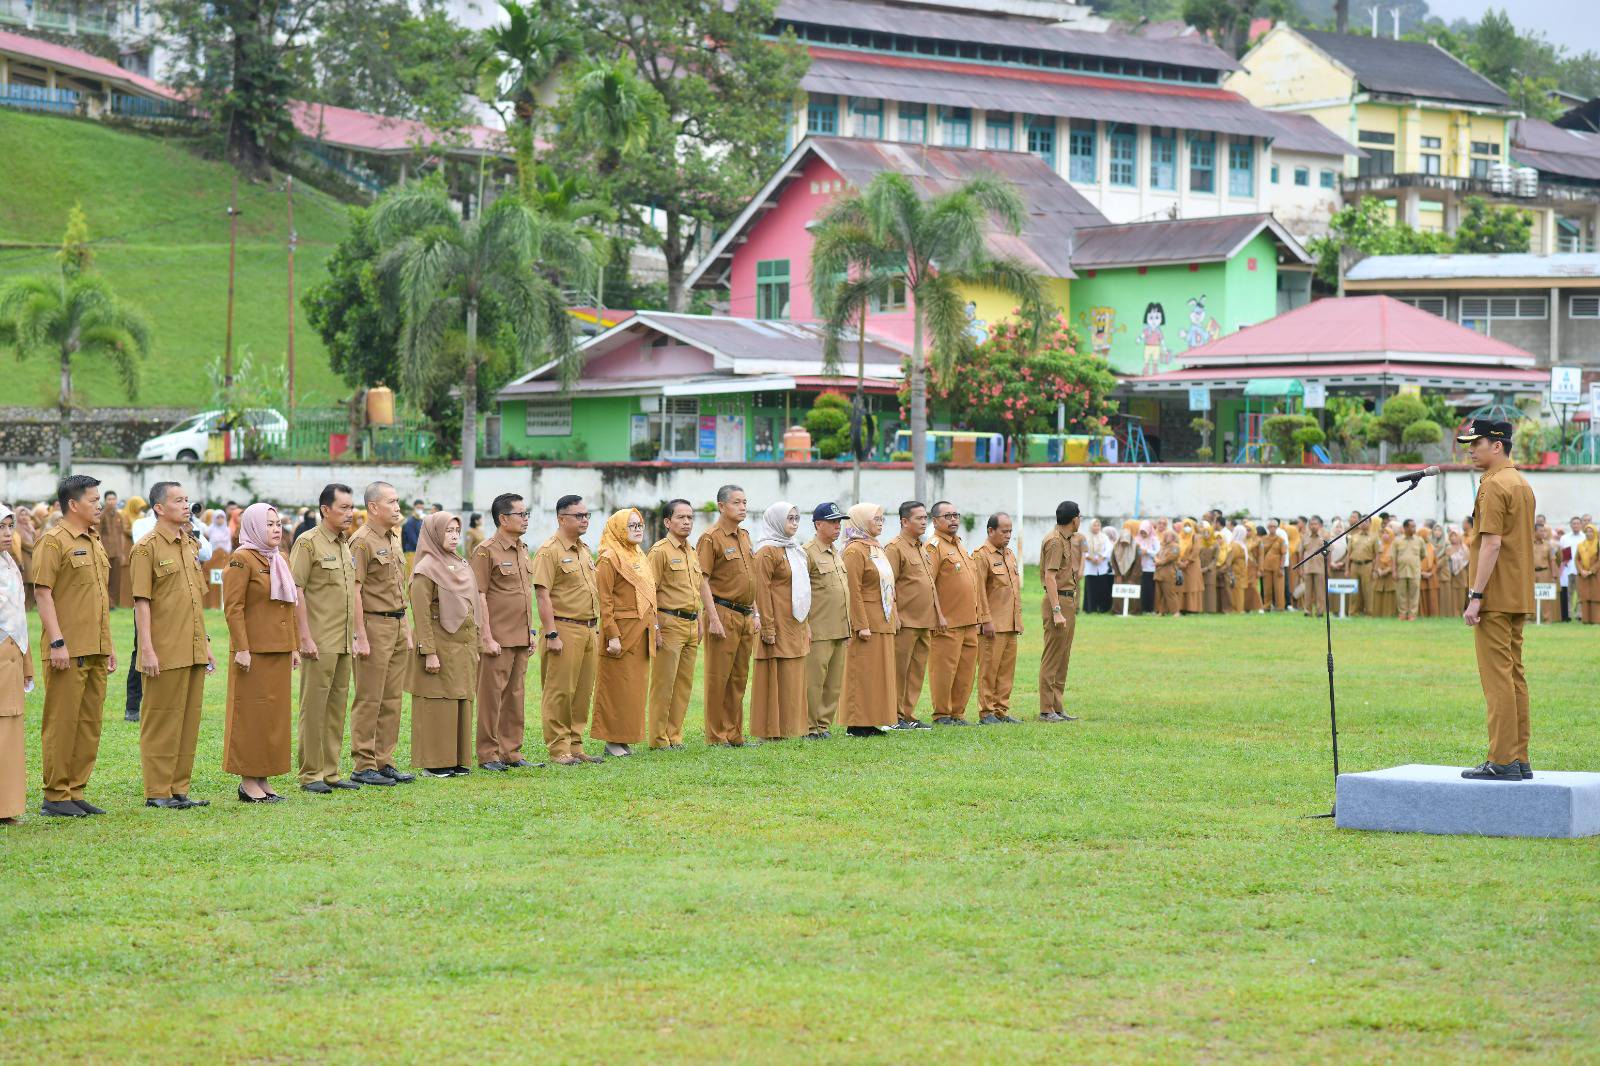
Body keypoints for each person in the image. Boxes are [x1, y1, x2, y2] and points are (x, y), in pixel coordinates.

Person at [31, 475, 115, 818]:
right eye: (94, 500)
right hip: (67, 648)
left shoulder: (94, 540)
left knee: (89, 722)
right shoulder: (53, 541)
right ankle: (55, 794)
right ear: (73, 504)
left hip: (94, 646)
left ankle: (75, 790)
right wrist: (57, 641)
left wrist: (107, 644)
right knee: (63, 721)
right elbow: (42, 592)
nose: (100, 505)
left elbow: (99, 598)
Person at [1457, 419, 1536, 781]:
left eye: (1477, 443)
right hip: (1516, 594)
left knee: (1497, 678)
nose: (1471, 449)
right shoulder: (1521, 483)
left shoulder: (1493, 485)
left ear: (1498, 446)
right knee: (1515, 675)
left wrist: (1476, 596)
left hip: (1495, 596)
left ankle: (1502, 759)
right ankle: (1518, 757)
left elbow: (1491, 543)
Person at [129, 481, 215, 810]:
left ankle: (179, 789)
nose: (185, 505)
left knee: (188, 720)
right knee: (161, 720)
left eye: (187, 500)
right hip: (164, 648)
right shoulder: (147, 548)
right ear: (159, 508)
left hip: (191, 647)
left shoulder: (189, 544)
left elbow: (195, 601)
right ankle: (157, 791)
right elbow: (142, 602)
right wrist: (147, 649)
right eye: (178, 500)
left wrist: (205, 643)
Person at [222, 504, 298, 802]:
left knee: (273, 717)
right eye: (268, 524)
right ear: (253, 526)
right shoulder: (242, 559)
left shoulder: (280, 559)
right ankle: (247, 781)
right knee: (251, 715)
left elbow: (289, 607)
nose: (276, 529)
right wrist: (242, 647)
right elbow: (233, 608)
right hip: (252, 652)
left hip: (278, 649)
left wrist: (292, 646)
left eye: (278, 523)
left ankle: (264, 777)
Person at [290, 483, 359, 794]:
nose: (350, 512)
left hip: (343, 640)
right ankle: (311, 774)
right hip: (319, 640)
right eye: (343, 507)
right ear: (325, 510)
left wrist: (356, 634)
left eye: (351, 507)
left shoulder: (344, 543)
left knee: (336, 708)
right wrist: (303, 637)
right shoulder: (308, 543)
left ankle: (330, 771)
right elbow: (296, 590)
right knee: (314, 707)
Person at [348, 481, 417, 787]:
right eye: (391, 501)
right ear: (373, 508)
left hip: (398, 623)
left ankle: (384, 760)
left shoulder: (393, 538)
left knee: (391, 698)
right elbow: (355, 592)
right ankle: (363, 764)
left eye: (397, 500)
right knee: (370, 696)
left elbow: (396, 588)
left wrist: (407, 629)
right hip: (373, 626)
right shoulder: (361, 542)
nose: (397, 507)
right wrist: (360, 635)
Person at [405, 511, 481, 777]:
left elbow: (474, 604)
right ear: (434, 533)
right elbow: (421, 614)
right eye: (448, 531)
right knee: (437, 703)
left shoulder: (461, 564)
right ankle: (435, 762)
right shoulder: (425, 569)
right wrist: (429, 652)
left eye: (456, 531)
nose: (454, 536)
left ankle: (458, 758)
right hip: (438, 645)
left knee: (460, 701)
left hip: (463, 646)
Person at [470, 493, 537, 771]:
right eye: (520, 514)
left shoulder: (522, 548)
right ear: (503, 518)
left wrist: (531, 632)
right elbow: (479, 595)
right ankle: (488, 754)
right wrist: (486, 636)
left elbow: (524, 594)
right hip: (497, 638)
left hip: (520, 636)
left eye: (526, 514)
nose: (525, 519)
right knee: (491, 697)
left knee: (516, 696)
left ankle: (512, 751)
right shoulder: (486, 551)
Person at [533, 495, 601, 766]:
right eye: (579, 516)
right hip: (564, 628)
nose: (585, 520)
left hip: (588, 629)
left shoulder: (584, 550)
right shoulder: (549, 550)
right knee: (559, 691)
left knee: (583, 691)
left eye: (587, 515)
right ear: (562, 518)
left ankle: (576, 744)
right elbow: (542, 595)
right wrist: (551, 634)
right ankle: (558, 748)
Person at [593, 508, 656, 757]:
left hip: (641, 631)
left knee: (634, 690)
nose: (638, 529)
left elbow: (651, 594)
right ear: (619, 529)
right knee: (616, 687)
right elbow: (605, 601)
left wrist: (655, 626)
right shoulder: (609, 557)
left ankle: (625, 738)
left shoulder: (638, 554)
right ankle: (612, 740)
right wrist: (613, 635)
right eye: (632, 526)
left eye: (640, 525)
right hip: (620, 634)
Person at [697, 485, 756, 747]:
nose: (742, 507)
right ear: (721, 506)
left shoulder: (744, 536)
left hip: (744, 614)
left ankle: (735, 734)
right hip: (723, 611)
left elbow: (749, 578)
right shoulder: (711, 538)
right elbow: (703, 580)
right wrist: (713, 618)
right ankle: (716, 735)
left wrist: (755, 612)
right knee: (718, 677)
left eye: (744, 502)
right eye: (736, 502)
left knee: (739, 677)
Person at [646, 499, 707, 751]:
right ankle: (659, 739)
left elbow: (695, 589)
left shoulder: (691, 551)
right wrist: (655, 629)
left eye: (690, 518)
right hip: (669, 623)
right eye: (681, 517)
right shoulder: (660, 552)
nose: (686, 522)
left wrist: (700, 619)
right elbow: (649, 593)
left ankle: (675, 735)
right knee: (664, 684)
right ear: (667, 522)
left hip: (691, 624)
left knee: (683, 685)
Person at [922, 501, 987, 726]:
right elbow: (929, 584)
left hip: (969, 621)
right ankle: (942, 714)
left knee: (966, 670)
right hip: (947, 622)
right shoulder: (934, 546)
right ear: (935, 521)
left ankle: (958, 713)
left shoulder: (958, 544)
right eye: (947, 516)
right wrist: (937, 615)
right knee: (944, 669)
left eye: (955, 515)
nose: (953, 520)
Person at [750, 502, 810, 741]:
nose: (794, 523)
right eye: (789, 519)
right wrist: (767, 626)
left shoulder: (795, 549)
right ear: (776, 521)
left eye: (797, 518)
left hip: (795, 623)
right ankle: (770, 731)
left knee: (792, 676)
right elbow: (761, 592)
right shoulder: (767, 551)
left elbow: (804, 590)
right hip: (776, 622)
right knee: (775, 674)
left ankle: (790, 728)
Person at [840, 504, 896, 738]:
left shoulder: (875, 547)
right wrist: (861, 625)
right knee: (861, 672)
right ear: (861, 521)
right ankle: (856, 723)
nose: (881, 522)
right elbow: (853, 591)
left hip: (882, 620)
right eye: (876, 519)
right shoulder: (855, 550)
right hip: (867, 624)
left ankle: (871, 720)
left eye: (882, 518)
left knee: (876, 674)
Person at [886, 501, 939, 730]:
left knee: (916, 671)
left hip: (924, 621)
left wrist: (938, 615)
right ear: (904, 521)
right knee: (899, 671)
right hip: (905, 622)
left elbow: (929, 584)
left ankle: (908, 713)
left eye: (925, 517)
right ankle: (894, 715)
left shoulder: (922, 547)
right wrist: (895, 615)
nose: (924, 521)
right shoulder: (894, 548)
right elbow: (888, 587)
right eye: (919, 518)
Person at [802, 503, 850, 740]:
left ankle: (823, 726)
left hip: (839, 626)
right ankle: (809, 727)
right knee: (814, 680)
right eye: (832, 522)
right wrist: (805, 625)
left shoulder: (835, 552)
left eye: (839, 522)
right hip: (818, 627)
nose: (837, 526)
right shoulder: (808, 552)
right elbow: (801, 593)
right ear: (818, 524)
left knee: (833, 683)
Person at [972, 511, 1023, 725]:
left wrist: (1017, 621)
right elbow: (979, 591)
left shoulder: (1010, 554)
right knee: (989, 670)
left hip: (1010, 623)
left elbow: (1014, 591)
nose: (1008, 535)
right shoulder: (981, 555)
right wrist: (985, 620)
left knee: (1006, 671)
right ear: (990, 530)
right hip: (992, 624)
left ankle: (1002, 709)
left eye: (1010, 531)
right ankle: (987, 712)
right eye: (1004, 531)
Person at [0, 505, 33, 825]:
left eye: (9, 526)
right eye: (1, 527)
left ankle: (6, 806)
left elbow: (19, 619)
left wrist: (26, 661)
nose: (8, 534)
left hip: (10, 655)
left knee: (9, 732)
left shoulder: (10, 564)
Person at [1039, 500, 1084, 722]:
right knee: (1052, 656)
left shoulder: (1066, 539)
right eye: (1080, 517)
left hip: (1068, 600)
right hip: (1058, 602)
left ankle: (1057, 705)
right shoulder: (1055, 541)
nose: (1080, 521)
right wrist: (1057, 610)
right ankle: (1046, 709)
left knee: (1063, 656)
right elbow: (1050, 576)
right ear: (1074, 518)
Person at [99, 490, 130, 610]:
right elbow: (97, 534)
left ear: (116, 500)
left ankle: (112, 603)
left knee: (115, 580)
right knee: (105, 579)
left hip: (117, 552)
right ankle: (106, 603)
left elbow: (121, 534)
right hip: (105, 552)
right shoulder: (101, 516)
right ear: (105, 501)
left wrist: (122, 552)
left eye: (113, 499)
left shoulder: (119, 516)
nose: (111, 502)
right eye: (109, 499)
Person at [1394, 519, 1424, 622]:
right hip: (1401, 571)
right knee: (1401, 594)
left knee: (1414, 594)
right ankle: (1402, 614)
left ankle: (1412, 615)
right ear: (1405, 528)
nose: (1414, 529)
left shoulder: (1419, 540)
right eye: (1412, 527)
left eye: (1415, 526)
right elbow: (1393, 558)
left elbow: (1423, 555)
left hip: (1415, 571)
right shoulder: (1397, 540)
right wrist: (1394, 571)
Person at [1300, 515, 1327, 618]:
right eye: (1311, 524)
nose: (1313, 526)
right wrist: (1301, 568)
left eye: (1315, 524)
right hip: (1307, 568)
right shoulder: (1304, 537)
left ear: (1319, 525)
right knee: (1307, 592)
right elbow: (1301, 553)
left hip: (1320, 568)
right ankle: (1307, 611)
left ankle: (1320, 611)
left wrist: (1327, 567)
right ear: (1308, 526)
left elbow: (1329, 553)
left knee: (1320, 592)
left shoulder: (1325, 536)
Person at [1111, 526, 1141, 615]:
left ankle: (1132, 612)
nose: (1124, 544)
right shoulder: (1116, 547)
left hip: (1132, 574)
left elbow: (1137, 564)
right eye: (1122, 542)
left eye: (1126, 542)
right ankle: (1118, 611)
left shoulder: (1136, 547)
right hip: (1119, 574)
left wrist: (1133, 578)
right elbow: (1113, 561)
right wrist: (1118, 575)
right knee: (1119, 593)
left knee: (1132, 594)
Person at [1082, 518, 1110, 613]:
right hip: (1090, 565)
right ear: (1091, 526)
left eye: (1098, 525)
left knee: (1102, 588)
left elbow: (1108, 549)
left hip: (1101, 566)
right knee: (1091, 588)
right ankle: (1090, 608)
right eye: (1094, 525)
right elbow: (1083, 550)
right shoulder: (1085, 538)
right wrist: (1090, 558)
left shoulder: (1104, 537)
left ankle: (1102, 608)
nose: (1096, 527)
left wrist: (1101, 557)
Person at [1443, 526, 1471, 618]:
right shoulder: (1448, 548)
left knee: (1462, 594)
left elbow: (1468, 559)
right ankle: (1453, 613)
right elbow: (1445, 561)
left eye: (1455, 536)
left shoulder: (1464, 548)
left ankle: (1460, 612)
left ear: (1459, 536)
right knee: (1453, 594)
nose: (1453, 538)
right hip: (1451, 575)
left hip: (1462, 574)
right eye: (1451, 536)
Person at [1575, 523, 1600, 625]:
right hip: (1583, 576)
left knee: (1595, 597)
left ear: (1595, 533)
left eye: (1591, 531)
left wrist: (1591, 570)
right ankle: (1585, 620)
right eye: (1587, 531)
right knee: (1584, 597)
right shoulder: (1581, 545)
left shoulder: (1598, 544)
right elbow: (1577, 560)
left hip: (1595, 575)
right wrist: (1581, 571)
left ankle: (1596, 620)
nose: (1588, 533)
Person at [1177, 519, 1203, 614]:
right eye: (1185, 525)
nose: (1187, 527)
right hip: (1181, 565)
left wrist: (1187, 561)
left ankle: (1192, 609)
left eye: (1189, 525)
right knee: (1182, 586)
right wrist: (1179, 561)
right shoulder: (1179, 537)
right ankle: (1182, 607)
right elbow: (1176, 549)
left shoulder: (1196, 537)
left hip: (1192, 565)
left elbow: (1196, 550)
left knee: (1192, 585)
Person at [1372, 523, 1397, 618]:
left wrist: (1386, 571)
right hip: (1379, 574)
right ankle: (1377, 614)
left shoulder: (1393, 547)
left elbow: (1394, 561)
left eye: (1387, 533)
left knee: (1389, 594)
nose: (1385, 535)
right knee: (1378, 592)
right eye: (1383, 533)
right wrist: (1377, 570)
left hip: (1389, 575)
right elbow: (1376, 559)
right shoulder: (1380, 546)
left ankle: (1388, 614)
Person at [1259, 520, 1285, 611]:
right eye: (1270, 526)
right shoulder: (1263, 539)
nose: (1272, 528)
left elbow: (1284, 554)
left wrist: (1282, 567)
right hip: (1266, 566)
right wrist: (1261, 567)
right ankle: (1267, 606)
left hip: (1277, 567)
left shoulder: (1281, 540)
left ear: (1277, 528)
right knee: (1267, 589)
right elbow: (1261, 554)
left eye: (1274, 526)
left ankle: (1280, 606)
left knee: (1279, 589)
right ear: (1268, 528)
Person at [1154, 528, 1180, 617]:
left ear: (1173, 537)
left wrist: (1159, 562)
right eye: (1165, 535)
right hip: (1159, 573)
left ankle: (1175, 612)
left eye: (1168, 535)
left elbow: (1171, 557)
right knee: (1160, 594)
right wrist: (1157, 560)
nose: (1165, 537)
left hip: (1169, 573)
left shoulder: (1175, 546)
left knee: (1170, 593)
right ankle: (1161, 611)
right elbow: (1156, 555)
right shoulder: (1162, 546)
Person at [1135, 520, 1158, 613]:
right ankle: (1141, 608)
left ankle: (1150, 608)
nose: (1143, 534)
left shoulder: (1154, 540)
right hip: (1140, 568)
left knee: (1149, 589)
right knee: (1141, 589)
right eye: (1141, 532)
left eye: (1144, 531)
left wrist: (1147, 551)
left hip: (1151, 568)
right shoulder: (1137, 539)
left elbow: (1157, 552)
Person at [1227, 525, 1250, 613]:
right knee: (1236, 591)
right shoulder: (1235, 546)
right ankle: (1237, 609)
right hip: (1236, 571)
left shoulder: (1240, 544)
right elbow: (1230, 560)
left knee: (1239, 590)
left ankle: (1239, 608)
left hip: (1241, 571)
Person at [1199, 522, 1219, 614]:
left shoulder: (1215, 545)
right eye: (1204, 532)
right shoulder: (1200, 543)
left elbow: (1215, 559)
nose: (1206, 535)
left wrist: (1207, 568)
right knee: (1201, 589)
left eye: (1208, 532)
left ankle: (1211, 609)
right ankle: (1201, 609)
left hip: (1210, 571)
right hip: (1200, 570)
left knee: (1210, 589)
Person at [401, 500, 425, 574]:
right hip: (411, 552)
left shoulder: (421, 521)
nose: (420, 510)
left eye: (421, 508)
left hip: (419, 551)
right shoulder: (410, 522)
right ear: (414, 508)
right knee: (412, 576)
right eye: (418, 508)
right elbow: (412, 540)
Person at [1244, 525, 1264, 613]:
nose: (1247, 532)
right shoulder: (1242, 540)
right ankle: (1248, 607)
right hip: (1244, 567)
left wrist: (1260, 569)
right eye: (1246, 530)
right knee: (1246, 587)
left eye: (1249, 530)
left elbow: (1261, 556)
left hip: (1253, 567)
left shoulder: (1258, 541)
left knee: (1254, 587)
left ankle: (1259, 607)